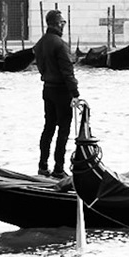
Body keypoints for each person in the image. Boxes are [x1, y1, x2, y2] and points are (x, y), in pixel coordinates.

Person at [34, 9, 78, 179]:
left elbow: (41, 68)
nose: (63, 26)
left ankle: (42, 166)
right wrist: (75, 94)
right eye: (62, 23)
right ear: (58, 24)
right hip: (62, 91)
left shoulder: (40, 43)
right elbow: (68, 72)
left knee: (48, 128)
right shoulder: (60, 44)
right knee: (63, 130)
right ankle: (59, 169)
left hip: (48, 89)